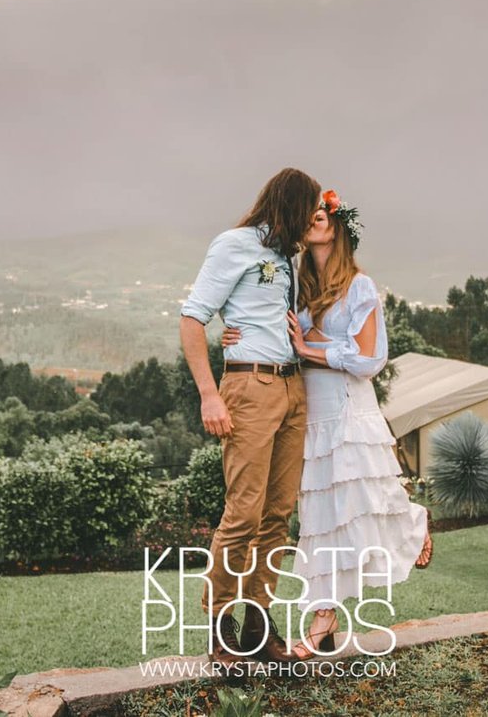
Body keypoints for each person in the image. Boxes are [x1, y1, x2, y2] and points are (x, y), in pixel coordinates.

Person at [222, 188, 432, 660]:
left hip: (348, 407)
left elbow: (370, 360)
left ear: (338, 228)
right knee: (319, 518)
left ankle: (413, 524)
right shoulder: (296, 286)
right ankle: (326, 618)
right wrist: (233, 334)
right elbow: (271, 327)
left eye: (323, 214)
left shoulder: (360, 286)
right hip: (307, 409)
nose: (315, 220)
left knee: (362, 500)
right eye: (311, 215)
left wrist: (310, 349)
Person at [178, 167, 322, 665]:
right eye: (311, 212)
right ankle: (221, 626)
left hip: (292, 385)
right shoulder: (234, 244)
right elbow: (193, 318)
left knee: (278, 515)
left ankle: (259, 625)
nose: (314, 222)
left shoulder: (287, 256)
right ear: (291, 207)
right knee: (244, 513)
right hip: (249, 386)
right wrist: (209, 395)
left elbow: (339, 237)